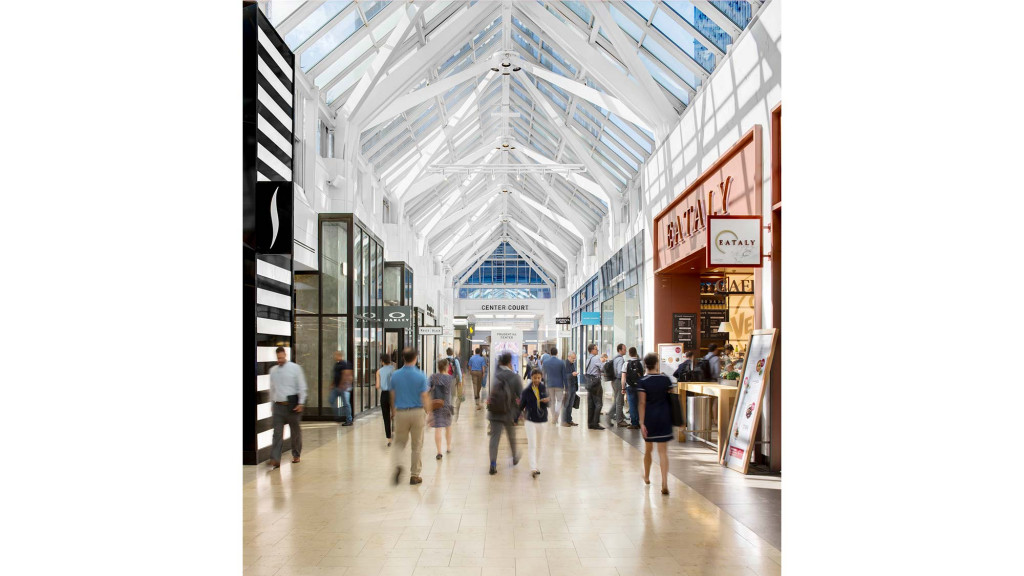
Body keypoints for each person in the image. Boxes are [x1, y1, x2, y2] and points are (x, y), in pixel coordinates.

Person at [390, 347, 430, 486]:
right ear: (416, 358)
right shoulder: (420, 375)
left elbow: (392, 395)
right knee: (417, 445)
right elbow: (424, 396)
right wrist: (428, 411)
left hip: (401, 412)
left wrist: (393, 411)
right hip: (417, 412)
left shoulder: (395, 375)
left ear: (403, 358)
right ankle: (414, 475)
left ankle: (399, 464)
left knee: (399, 443)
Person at [637, 353, 674, 495]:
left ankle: (647, 476)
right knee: (663, 452)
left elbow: (642, 402)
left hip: (650, 418)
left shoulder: (643, 381)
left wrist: (641, 423)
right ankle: (664, 482)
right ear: (656, 364)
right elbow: (671, 395)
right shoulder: (665, 379)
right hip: (664, 416)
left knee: (648, 449)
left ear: (645, 365)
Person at [268, 346, 307, 469]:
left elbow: (302, 386)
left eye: (281, 357)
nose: (279, 360)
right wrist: (271, 404)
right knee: (277, 433)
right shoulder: (273, 370)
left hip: (293, 406)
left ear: (285, 355)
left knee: (295, 432)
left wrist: (301, 403)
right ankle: (275, 459)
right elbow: (272, 389)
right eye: (278, 358)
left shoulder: (295, 369)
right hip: (278, 405)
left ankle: (296, 454)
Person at [487, 352, 523, 475]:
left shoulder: (495, 375)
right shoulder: (514, 377)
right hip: (508, 412)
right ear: (509, 363)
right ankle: (514, 457)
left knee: (494, 438)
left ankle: (493, 463)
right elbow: (521, 396)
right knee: (511, 436)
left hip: (494, 412)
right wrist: (519, 413)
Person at [519, 369, 549, 478]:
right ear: (531, 377)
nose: (537, 380)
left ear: (541, 378)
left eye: (539, 378)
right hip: (530, 420)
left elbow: (549, 404)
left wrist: (547, 401)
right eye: (535, 377)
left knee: (540, 445)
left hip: (542, 420)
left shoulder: (544, 389)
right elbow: (521, 405)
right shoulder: (526, 391)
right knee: (532, 444)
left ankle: (537, 465)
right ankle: (533, 467)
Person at [429, 358, 455, 460]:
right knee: (448, 427)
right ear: (446, 367)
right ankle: (448, 447)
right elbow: (453, 393)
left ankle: (439, 451)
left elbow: (427, 389)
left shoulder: (433, 377)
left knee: (438, 429)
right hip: (447, 405)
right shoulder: (450, 378)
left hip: (436, 405)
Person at [542, 347, 568, 424]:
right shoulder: (561, 363)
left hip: (549, 384)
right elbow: (564, 376)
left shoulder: (546, 363)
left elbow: (543, 375)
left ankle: (554, 417)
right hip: (559, 384)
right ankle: (556, 416)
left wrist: (544, 384)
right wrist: (566, 386)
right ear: (556, 353)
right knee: (559, 401)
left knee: (552, 401)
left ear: (550, 353)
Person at [328, 350, 353, 426]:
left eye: (336, 355)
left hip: (344, 387)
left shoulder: (345, 364)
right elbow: (335, 375)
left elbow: (346, 374)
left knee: (346, 404)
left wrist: (342, 385)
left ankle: (349, 420)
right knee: (331, 400)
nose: (334, 357)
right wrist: (332, 384)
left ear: (340, 356)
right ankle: (337, 417)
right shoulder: (336, 364)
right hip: (336, 387)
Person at [376, 353, 396, 446]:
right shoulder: (393, 369)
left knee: (386, 416)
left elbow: (377, 386)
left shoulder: (379, 371)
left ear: (382, 361)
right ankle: (395, 431)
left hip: (384, 394)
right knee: (394, 414)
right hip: (393, 393)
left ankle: (389, 439)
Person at [622, 347, 643, 430]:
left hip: (630, 387)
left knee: (632, 405)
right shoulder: (641, 363)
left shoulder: (626, 364)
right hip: (640, 387)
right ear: (636, 353)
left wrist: (623, 388)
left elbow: (623, 378)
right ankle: (640, 422)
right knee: (640, 404)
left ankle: (634, 423)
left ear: (629, 354)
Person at [585, 344, 605, 430]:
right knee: (598, 403)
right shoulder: (596, 358)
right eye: (596, 349)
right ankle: (596, 423)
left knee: (591, 404)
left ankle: (590, 423)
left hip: (589, 382)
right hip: (596, 383)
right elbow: (603, 368)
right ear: (592, 350)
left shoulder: (588, 358)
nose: (597, 351)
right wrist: (604, 362)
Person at [609, 344, 627, 427]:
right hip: (618, 381)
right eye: (624, 349)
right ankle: (619, 420)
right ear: (620, 350)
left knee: (617, 400)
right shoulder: (620, 359)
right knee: (619, 401)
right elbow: (620, 372)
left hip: (614, 381)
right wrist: (625, 375)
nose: (625, 350)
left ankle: (615, 416)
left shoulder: (615, 358)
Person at [444, 347, 463, 418]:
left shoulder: (444, 360)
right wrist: (460, 380)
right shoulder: (455, 361)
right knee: (452, 394)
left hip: (444, 379)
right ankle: (451, 407)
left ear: (446, 353)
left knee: (446, 393)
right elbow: (459, 371)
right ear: (452, 353)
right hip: (452, 378)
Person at [562, 352, 580, 427]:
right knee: (566, 404)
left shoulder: (572, 364)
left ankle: (569, 420)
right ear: (569, 357)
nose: (574, 360)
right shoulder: (565, 364)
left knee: (570, 404)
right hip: (567, 387)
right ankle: (564, 421)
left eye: (574, 358)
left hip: (573, 386)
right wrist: (571, 374)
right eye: (573, 358)